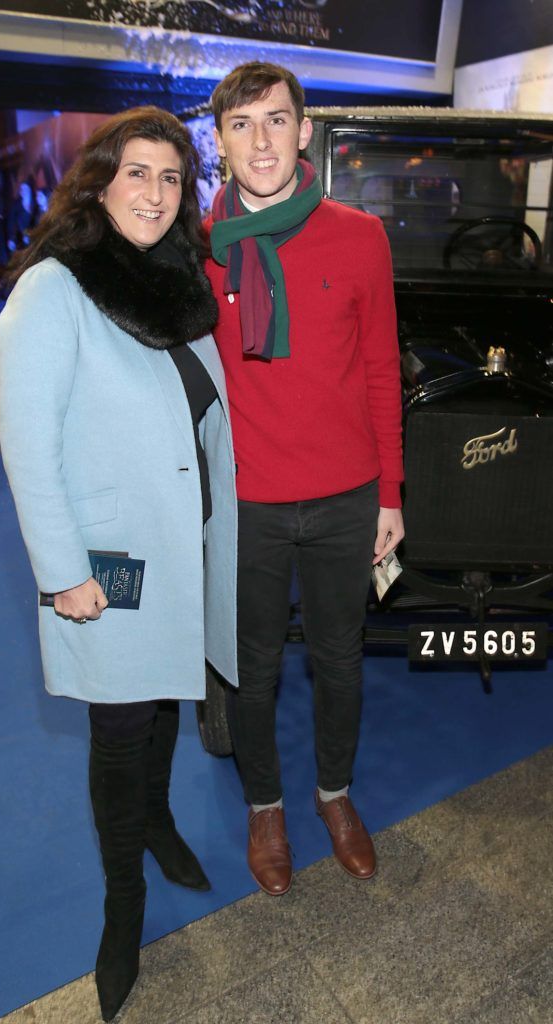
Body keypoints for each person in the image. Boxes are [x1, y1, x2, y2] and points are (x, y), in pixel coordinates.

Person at [0, 107, 238, 1022]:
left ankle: (163, 824)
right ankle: (121, 908)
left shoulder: (176, 284)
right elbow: (28, 448)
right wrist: (63, 573)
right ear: (98, 182)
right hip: (109, 562)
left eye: (172, 178)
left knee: (167, 694)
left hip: (185, 540)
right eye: (137, 173)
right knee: (119, 728)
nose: (155, 193)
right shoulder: (53, 290)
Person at [205, 62, 404, 896]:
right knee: (251, 668)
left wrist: (391, 494)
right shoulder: (194, 249)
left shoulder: (359, 236)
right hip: (246, 500)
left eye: (276, 120)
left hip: (344, 494)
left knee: (339, 659)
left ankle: (333, 794)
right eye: (243, 124)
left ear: (303, 131)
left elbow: (382, 370)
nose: (262, 140)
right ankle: (264, 806)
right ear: (218, 141)